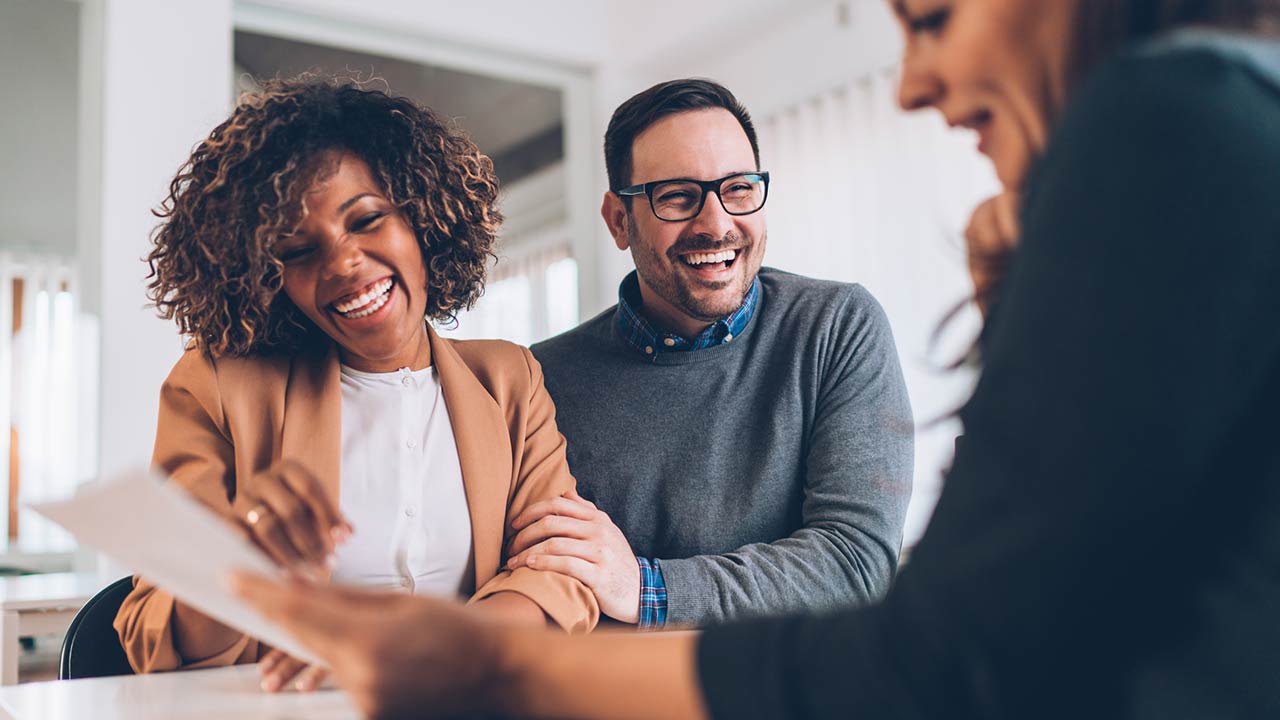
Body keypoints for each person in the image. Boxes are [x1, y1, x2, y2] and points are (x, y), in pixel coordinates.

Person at [233, 0, 1280, 717]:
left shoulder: (1167, 126)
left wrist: (544, 641)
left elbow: (920, 622)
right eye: (677, 196)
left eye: (929, 17)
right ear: (617, 218)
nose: (911, 84)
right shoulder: (530, 379)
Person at [114, 76, 599, 692]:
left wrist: (433, 647)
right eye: (298, 251)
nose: (342, 262)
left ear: (424, 219)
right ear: (269, 278)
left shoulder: (508, 379)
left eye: (366, 219)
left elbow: (560, 575)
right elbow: (150, 635)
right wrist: (239, 565)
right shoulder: (217, 384)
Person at [507, 78, 914, 628]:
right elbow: (536, 574)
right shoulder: (541, 380)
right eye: (677, 195)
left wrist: (647, 587)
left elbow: (854, 563)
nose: (717, 223)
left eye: (739, 188)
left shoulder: (836, 327)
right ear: (619, 220)